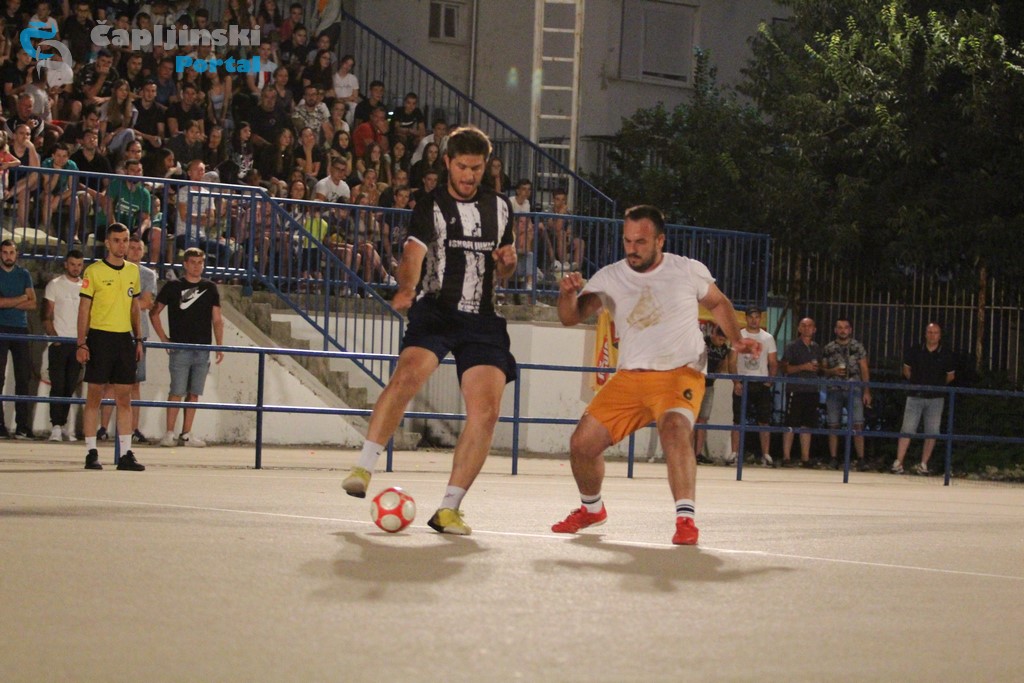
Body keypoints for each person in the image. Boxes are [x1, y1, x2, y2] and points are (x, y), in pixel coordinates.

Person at [341, 126, 518, 536]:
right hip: (437, 310)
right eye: (462, 167)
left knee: (487, 412)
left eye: (477, 168)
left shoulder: (501, 207)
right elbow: (413, 253)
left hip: (483, 318)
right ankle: (363, 467)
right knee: (407, 375)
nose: (469, 175)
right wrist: (406, 287)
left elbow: (503, 268)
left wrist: (507, 263)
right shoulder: (431, 204)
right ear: (448, 163)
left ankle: (449, 509)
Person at [549, 205, 759, 545]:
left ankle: (685, 520)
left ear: (660, 240)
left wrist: (736, 340)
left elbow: (718, 303)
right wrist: (567, 294)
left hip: (681, 373)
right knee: (581, 445)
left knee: (674, 429)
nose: (632, 249)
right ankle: (591, 509)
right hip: (631, 377)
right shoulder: (610, 277)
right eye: (627, 241)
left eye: (641, 242)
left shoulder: (686, 270)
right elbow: (569, 317)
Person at [76, 223, 146, 471]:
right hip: (99, 337)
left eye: (125, 240)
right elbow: (84, 308)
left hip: (123, 339)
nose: (122, 245)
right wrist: (82, 342)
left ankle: (125, 453)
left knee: (125, 397)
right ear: (107, 243)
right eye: (117, 240)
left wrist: (138, 339)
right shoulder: (93, 271)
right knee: (94, 395)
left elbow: (134, 307)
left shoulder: (132, 271)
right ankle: (91, 451)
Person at [150, 248, 225, 449]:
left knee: (194, 392)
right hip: (180, 347)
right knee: (177, 391)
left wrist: (219, 345)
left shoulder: (210, 287)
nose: (197, 266)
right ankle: (169, 433)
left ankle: (186, 434)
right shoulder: (173, 286)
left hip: (202, 348)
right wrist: (164, 339)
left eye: (200, 262)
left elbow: (217, 319)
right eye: (193, 262)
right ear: (185, 264)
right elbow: (154, 312)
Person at [98, 236, 157, 444]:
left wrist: (121, 303)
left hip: (137, 334)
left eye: (138, 248)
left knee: (135, 384)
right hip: (113, 330)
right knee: (109, 383)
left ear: (143, 251)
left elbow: (147, 302)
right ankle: (103, 427)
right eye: (131, 247)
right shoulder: (113, 270)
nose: (134, 251)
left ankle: (133, 428)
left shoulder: (147, 274)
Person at [892, 322, 955, 475]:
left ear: (940, 335)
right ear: (925, 334)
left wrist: (936, 386)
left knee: (932, 431)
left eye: (935, 333)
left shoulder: (946, 353)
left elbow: (950, 376)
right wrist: (916, 383)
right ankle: (898, 462)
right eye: (930, 332)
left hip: (936, 398)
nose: (932, 335)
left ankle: (923, 464)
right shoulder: (915, 350)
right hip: (915, 395)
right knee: (907, 429)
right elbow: (906, 369)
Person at [43, 249, 85, 442]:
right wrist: (55, 338)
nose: (76, 268)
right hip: (60, 342)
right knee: (58, 385)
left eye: (79, 265)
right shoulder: (54, 285)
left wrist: (83, 340)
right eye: (72, 264)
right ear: (66, 264)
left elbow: (89, 315)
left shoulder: (86, 286)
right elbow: (46, 316)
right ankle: (56, 426)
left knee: (70, 386)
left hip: (77, 343)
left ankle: (64, 425)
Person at [728, 306, 778, 466]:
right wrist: (736, 382)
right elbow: (732, 361)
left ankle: (766, 454)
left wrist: (770, 381)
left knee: (764, 420)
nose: (754, 320)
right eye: (751, 316)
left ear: (760, 318)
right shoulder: (738, 336)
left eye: (757, 317)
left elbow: (773, 362)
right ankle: (734, 453)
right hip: (743, 382)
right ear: (746, 318)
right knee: (737, 419)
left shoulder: (768, 338)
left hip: (761, 383)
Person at [822, 317, 872, 470]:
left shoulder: (858, 347)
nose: (843, 330)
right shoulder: (829, 348)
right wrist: (833, 371)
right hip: (834, 389)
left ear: (850, 330)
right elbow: (823, 370)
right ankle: (833, 458)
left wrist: (866, 391)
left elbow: (864, 369)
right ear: (835, 330)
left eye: (845, 327)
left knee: (858, 424)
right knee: (833, 425)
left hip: (854, 389)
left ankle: (861, 458)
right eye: (840, 327)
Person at [0, 239, 36, 439]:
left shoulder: (24, 274)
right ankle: (0, 425)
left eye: (11, 252)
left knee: (23, 377)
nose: (8, 256)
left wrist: (8, 302)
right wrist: (21, 298)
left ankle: (23, 426)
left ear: (16, 254)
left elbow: (33, 303)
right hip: (1, 329)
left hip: (20, 329)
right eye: (5, 252)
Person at [780, 317, 822, 467]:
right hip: (796, 389)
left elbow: (820, 367)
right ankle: (786, 457)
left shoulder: (816, 348)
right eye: (803, 325)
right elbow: (784, 368)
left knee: (807, 425)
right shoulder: (792, 346)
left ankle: (805, 458)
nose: (806, 328)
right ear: (798, 328)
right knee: (791, 423)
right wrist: (803, 367)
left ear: (814, 329)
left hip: (811, 390)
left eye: (809, 325)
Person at [694, 326, 731, 464]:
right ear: (713, 334)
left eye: (723, 340)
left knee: (703, 419)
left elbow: (722, 364)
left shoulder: (724, 349)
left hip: (709, 385)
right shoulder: (703, 343)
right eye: (719, 339)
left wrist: (716, 375)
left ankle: (698, 453)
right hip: (695, 384)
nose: (721, 342)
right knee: (692, 418)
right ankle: (688, 452)